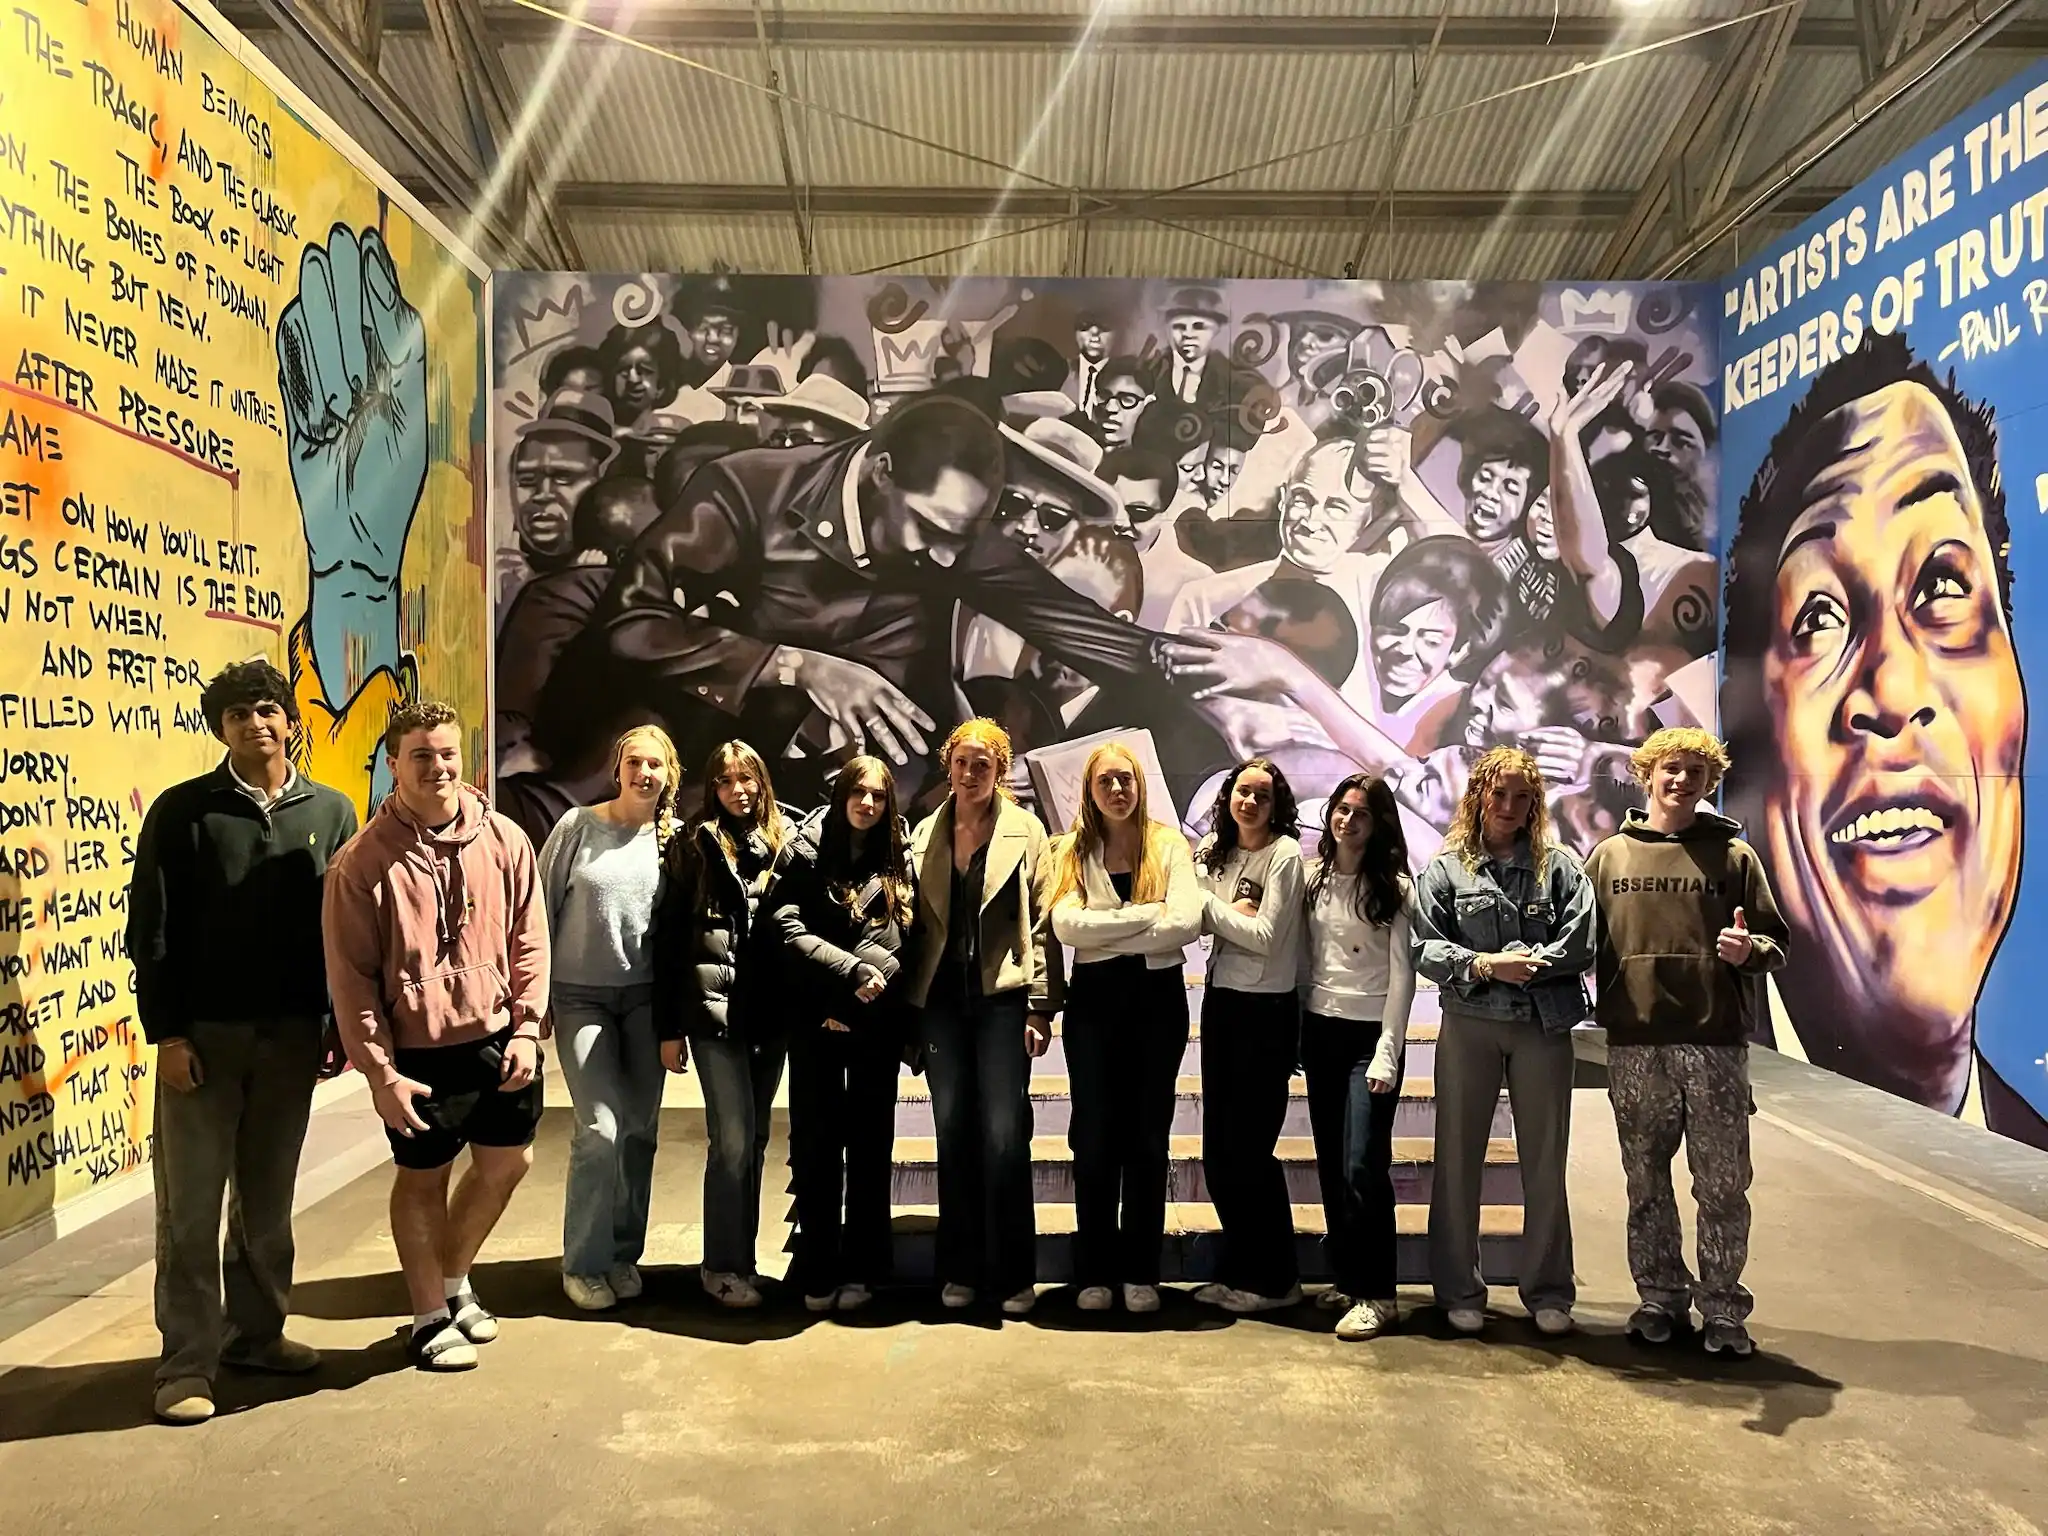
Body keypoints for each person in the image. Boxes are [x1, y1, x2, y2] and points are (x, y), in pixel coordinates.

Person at [1721, 333, 2041, 1147]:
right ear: (1744, 735)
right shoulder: (1705, 1113)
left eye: (1943, 586)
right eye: (1820, 617)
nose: (1893, 693)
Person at [126, 661, 360, 1425]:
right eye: (236, 715)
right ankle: (185, 1365)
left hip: (291, 1040)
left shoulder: (333, 811)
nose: (254, 723)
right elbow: (151, 931)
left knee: (267, 1203)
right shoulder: (184, 812)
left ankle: (256, 1337)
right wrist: (167, 1034)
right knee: (190, 1211)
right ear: (219, 729)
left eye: (265, 709)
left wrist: (336, 1023)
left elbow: (345, 930)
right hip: (204, 1042)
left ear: (289, 720)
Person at [323, 701, 550, 1371]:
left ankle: (453, 1281)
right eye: (420, 755)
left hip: (500, 1037)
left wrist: (528, 1027)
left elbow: (530, 939)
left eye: (447, 753)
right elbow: (352, 979)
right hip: (417, 1052)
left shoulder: (505, 839)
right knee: (423, 1179)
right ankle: (427, 1316)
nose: (437, 767)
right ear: (394, 765)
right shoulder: (360, 864)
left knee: (508, 1163)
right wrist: (379, 1073)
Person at [1583, 728, 1788, 1358]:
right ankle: (1660, 1298)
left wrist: (1749, 950)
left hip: (1715, 1045)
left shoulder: (1736, 858)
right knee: (1645, 1181)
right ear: (1648, 774)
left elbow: (1774, 944)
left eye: (1696, 772)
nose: (1682, 780)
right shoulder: (1609, 857)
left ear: (1709, 782)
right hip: (1636, 1044)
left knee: (1721, 1185)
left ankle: (1723, 1309)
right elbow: (1577, 939)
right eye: (1671, 768)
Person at [1411, 746, 1596, 1337]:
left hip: (1543, 1027)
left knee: (1545, 1162)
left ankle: (1548, 1290)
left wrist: (1531, 964)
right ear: (1478, 797)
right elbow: (1424, 946)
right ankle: (1458, 1290)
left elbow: (1582, 939)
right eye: (1499, 794)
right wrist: (1486, 965)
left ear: (1535, 803)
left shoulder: (1560, 867)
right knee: (1458, 1158)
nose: (1510, 806)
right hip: (1471, 1023)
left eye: (1522, 797)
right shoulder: (1446, 869)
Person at [906, 719, 1062, 1315]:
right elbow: (914, 927)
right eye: (962, 763)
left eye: (983, 764)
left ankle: (1013, 1272)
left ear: (1001, 770)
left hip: (1003, 999)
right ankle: (961, 1269)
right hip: (942, 1003)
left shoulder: (1026, 830)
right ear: (948, 766)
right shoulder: (926, 831)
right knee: (952, 1132)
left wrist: (1041, 1006)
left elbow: (1043, 923)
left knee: (1004, 1134)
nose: (970, 774)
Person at [1046, 742, 1203, 1313]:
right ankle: (1094, 1271)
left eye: (1126, 779)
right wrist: (1146, 917)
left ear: (1140, 784)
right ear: (1089, 790)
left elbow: (1185, 923)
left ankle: (1141, 1272)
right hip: (1094, 1004)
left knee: (1146, 1137)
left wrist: (1105, 928)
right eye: (1105, 781)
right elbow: (1066, 926)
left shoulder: (1168, 843)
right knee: (1092, 1136)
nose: (1117, 790)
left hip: (1157, 1002)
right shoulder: (1071, 848)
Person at [536, 725, 678, 1313]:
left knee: (639, 1129)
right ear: (617, 767)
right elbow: (537, 908)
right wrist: (534, 999)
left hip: (644, 1001)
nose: (644, 773)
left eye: (655, 765)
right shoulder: (577, 826)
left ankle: (622, 1254)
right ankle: (584, 1263)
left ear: (670, 774)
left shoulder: (673, 840)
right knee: (599, 1130)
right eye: (634, 762)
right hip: (580, 999)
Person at [771, 757, 918, 1312]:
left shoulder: (898, 855)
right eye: (858, 792)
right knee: (816, 1146)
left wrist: (865, 993)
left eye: (878, 795)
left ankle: (865, 1269)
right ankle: (817, 1266)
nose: (867, 804)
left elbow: (907, 937)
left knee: (871, 1146)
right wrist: (843, 986)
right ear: (841, 796)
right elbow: (785, 929)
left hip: (876, 1021)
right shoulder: (807, 849)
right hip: (817, 1019)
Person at [652, 740, 791, 1307]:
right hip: (715, 1017)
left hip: (769, 1016)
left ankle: (743, 1263)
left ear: (762, 782)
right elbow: (668, 941)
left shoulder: (785, 840)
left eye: (747, 778)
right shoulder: (692, 844)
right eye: (726, 781)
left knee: (754, 1140)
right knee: (731, 1140)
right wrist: (670, 1027)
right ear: (712, 788)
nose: (738, 790)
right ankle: (721, 1267)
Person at [1299, 773, 1416, 1342]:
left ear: (1378, 823)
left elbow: (1402, 977)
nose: (1348, 821)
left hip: (1370, 1039)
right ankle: (1348, 1279)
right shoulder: (1313, 878)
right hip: (1321, 1033)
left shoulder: (1396, 889)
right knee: (1331, 1163)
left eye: (1361, 813)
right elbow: (1307, 960)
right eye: (1341, 810)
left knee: (1362, 1165)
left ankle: (1379, 1295)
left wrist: (1388, 1053)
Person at [1189, 759, 1307, 1314]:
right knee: (1219, 1153)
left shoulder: (1285, 854)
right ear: (1228, 797)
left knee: (1251, 1152)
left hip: (1266, 1013)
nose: (1251, 803)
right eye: (1243, 792)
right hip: (1222, 1004)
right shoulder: (1215, 850)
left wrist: (1210, 908)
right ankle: (1243, 1270)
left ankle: (1277, 1281)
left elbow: (1264, 935)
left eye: (1263, 795)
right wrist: (1223, 912)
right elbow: (1187, 917)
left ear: (1276, 804)